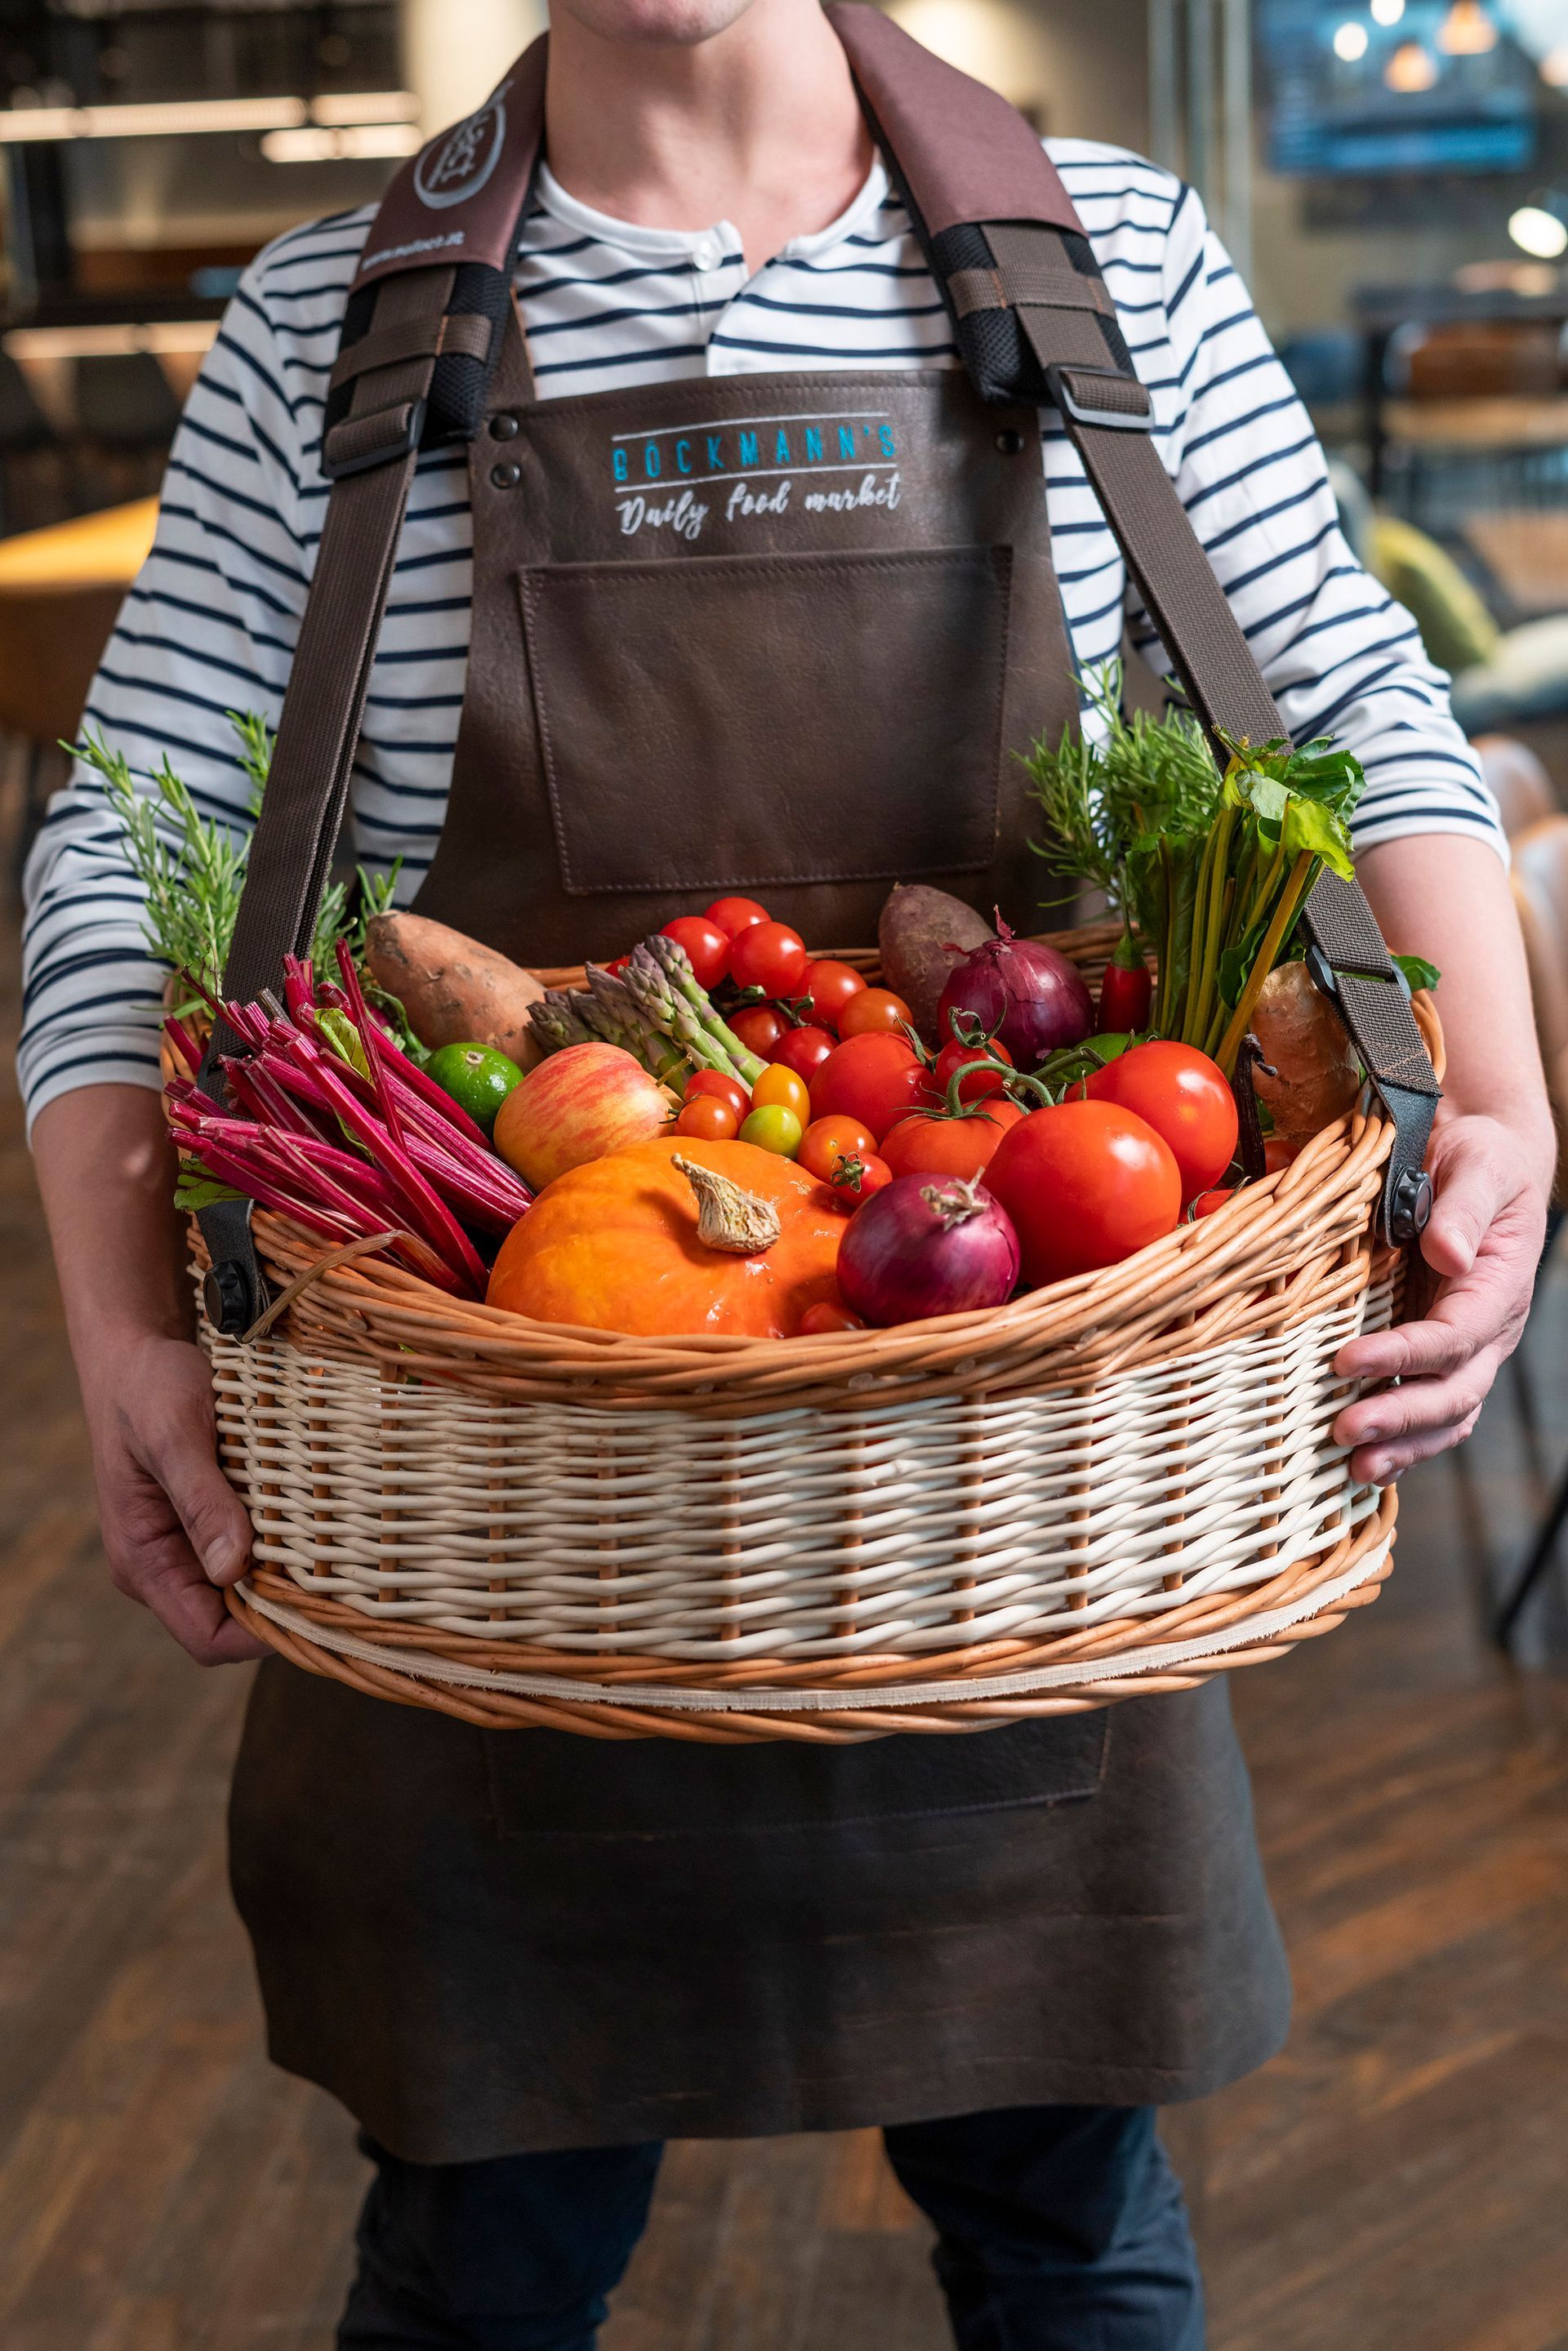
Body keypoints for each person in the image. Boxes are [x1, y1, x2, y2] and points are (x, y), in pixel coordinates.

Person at [22, 0, 1553, 2343]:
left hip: (1013, 1502)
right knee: (483, 2252)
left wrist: (1507, 1111)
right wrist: (120, 1312)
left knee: (1068, 2231)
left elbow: (1344, 698)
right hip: (518, 1513)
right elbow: (137, 855)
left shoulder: (1097, 259)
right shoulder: (338, 320)